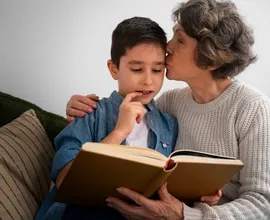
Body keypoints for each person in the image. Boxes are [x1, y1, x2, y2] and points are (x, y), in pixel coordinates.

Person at [66, 0, 270, 219]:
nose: (168, 47)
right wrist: (81, 107)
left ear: (210, 56)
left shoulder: (253, 106)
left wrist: (186, 215)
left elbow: (264, 205)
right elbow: (127, 107)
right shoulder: (168, 104)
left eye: (180, 39)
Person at [36, 16, 221, 220]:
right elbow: (65, 181)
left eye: (158, 70)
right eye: (137, 69)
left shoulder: (169, 123)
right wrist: (119, 132)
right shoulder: (89, 113)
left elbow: (169, 187)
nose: (148, 80)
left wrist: (199, 196)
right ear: (114, 69)